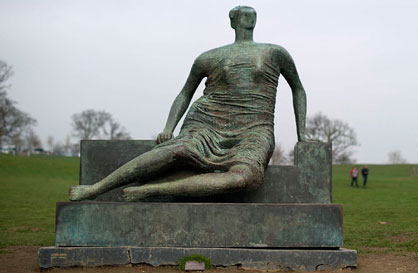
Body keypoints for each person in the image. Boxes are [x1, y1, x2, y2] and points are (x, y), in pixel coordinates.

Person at [69, 6, 307, 202]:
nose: (248, 15)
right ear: (232, 21)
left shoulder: (275, 53)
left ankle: (153, 190)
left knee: (244, 178)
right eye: (242, 14)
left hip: (255, 129)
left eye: (251, 13)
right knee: (178, 149)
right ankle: (95, 189)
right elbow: (185, 93)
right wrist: (168, 128)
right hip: (208, 122)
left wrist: (302, 133)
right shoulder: (209, 57)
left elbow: (297, 88)